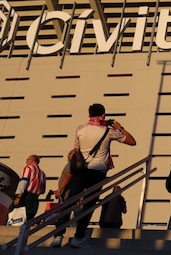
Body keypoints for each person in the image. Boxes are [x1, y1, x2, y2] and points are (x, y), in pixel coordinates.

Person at [67, 103, 136, 249]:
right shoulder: (108, 130)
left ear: (89, 115)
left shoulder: (80, 129)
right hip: (97, 172)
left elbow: (76, 150)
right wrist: (119, 127)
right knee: (89, 204)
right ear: (103, 115)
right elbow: (132, 141)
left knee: (70, 201)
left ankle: (57, 236)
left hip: (81, 171)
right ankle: (78, 237)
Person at [50, 149, 76, 247]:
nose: (68, 155)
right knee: (70, 214)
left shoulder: (71, 165)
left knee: (64, 214)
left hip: (68, 194)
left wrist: (60, 190)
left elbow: (68, 176)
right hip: (67, 194)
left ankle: (59, 236)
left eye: (70, 153)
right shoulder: (70, 164)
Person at [10, 154, 47, 220]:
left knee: (16, 216)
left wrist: (19, 196)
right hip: (35, 198)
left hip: (26, 196)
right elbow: (43, 190)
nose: (26, 162)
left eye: (27, 160)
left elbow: (24, 182)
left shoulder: (28, 168)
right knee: (29, 218)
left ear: (32, 160)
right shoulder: (42, 173)